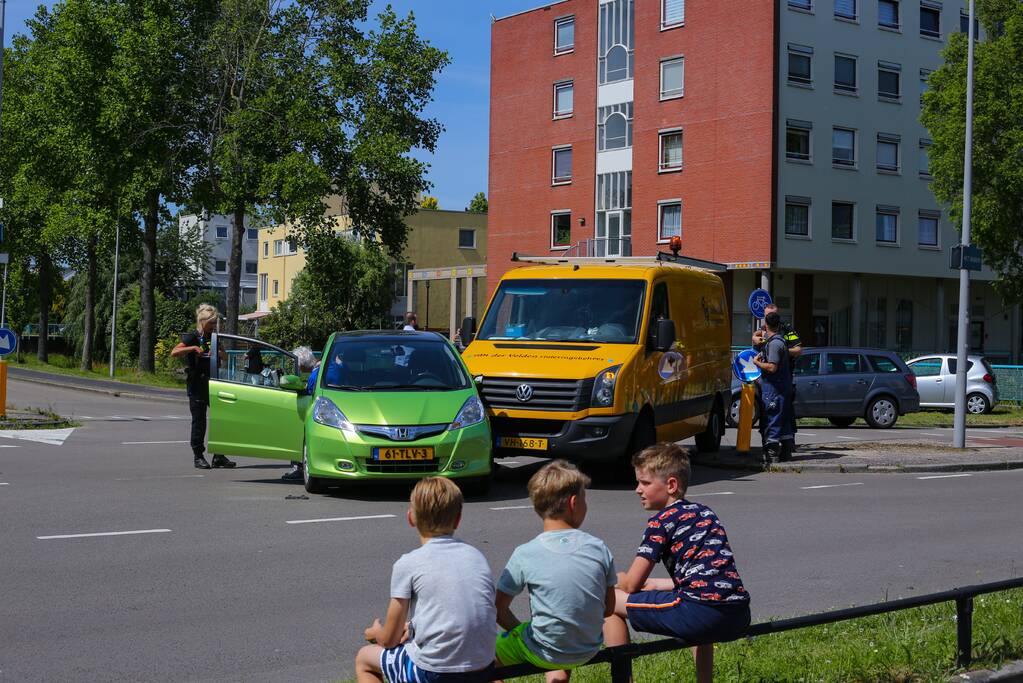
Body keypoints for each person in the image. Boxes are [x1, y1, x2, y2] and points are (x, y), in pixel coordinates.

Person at [603, 443, 751, 683]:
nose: (637, 490)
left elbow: (630, 585)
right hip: (738, 614)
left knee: (607, 600)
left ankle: (623, 679)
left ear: (671, 485)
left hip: (699, 614)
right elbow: (704, 573)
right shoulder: (705, 513)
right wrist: (653, 585)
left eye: (645, 483)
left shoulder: (660, 521)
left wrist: (611, 580)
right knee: (684, 598)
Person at [355, 477, 497, 683]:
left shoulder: (408, 563)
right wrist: (413, 626)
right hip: (482, 665)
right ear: (458, 519)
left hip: (435, 672)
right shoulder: (477, 556)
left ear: (411, 517)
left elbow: (390, 639)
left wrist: (376, 633)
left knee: (364, 659)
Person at [495, 460, 616, 683]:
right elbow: (608, 609)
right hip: (589, 647)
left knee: (486, 653)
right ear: (574, 502)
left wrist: (520, 630)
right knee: (559, 635)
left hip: (545, 650)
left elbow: (498, 609)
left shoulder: (525, 553)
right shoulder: (599, 548)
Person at [171, 304, 235, 470]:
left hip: (213, 383)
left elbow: (225, 356)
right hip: (197, 384)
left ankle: (219, 455)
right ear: (202, 321)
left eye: (214, 323)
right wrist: (193, 349)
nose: (213, 326)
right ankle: (198, 456)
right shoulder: (193, 336)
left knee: (221, 419)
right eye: (211, 322)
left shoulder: (213, 337)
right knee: (199, 421)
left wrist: (219, 353)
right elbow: (174, 351)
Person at [753, 303, 802, 460]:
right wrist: (757, 338)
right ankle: (785, 451)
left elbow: (798, 350)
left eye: (769, 315)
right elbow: (755, 337)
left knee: (773, 416)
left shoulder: (784, 333)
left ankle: (772, 453)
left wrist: (761, 361)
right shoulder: (767, 333)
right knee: (783, 416)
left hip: (775, 382)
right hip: (780, 381)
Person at [281, 346, 319, 482]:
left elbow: (310, 392)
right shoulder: (319, 370)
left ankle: (298, 466)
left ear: (302, 364)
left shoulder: (315, 375)